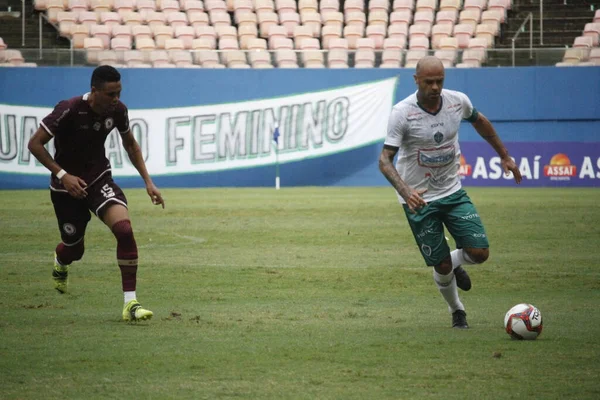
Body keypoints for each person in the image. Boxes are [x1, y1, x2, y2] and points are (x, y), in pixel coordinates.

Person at [378, 56, 522, 329]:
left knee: (479, 253)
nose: (435, 87)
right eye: (429, 81)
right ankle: (457, 310)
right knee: (441, 265)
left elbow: (480, 121)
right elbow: (384, 160)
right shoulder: (402, 112)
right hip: (418, 199)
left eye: (439, 81)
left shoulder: (458, 101)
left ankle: (455, 260)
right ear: (416, 80)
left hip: (452, 191)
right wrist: (405, 191)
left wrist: (504, 156)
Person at [28, 65, 165, 322]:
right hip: (65, 188)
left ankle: (131, 304)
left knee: (124, 230)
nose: (116, 100)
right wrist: (63, 175)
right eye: (111, 94)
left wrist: (148, 182)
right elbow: (34, 144)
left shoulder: (118, 111)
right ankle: (61, 259)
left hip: (99, 178)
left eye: (119, 93)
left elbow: (130, 144)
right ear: (94, 91)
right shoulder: (68, 109)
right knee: (74, 249)